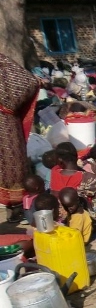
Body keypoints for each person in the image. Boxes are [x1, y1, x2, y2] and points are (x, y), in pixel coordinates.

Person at [0, 53, 39, 221]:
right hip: (8, 123)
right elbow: (30, 82)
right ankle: (15, 208)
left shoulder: (3, 63)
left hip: (7, 125)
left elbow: (28, 82)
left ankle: (16, 207)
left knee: (12, 167)